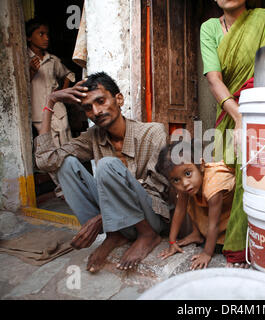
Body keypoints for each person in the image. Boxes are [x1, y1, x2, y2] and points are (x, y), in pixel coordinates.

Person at [34, 72, 171, 273]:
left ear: (119, 99)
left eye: (100, 101)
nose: (96, 111)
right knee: (65, 164)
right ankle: (115, 235)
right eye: (88, 108)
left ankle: (147, 236)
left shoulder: (153, 132)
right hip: (116, 220)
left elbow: (156, 189)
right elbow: (46, 161)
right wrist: (51, 101)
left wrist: (102, 216)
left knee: (107, 166)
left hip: (151, 217)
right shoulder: (93, 137)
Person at [200, 0, 265, 267]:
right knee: (217, 182)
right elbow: (214, 79)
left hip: (260, 106)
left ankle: (252, 247)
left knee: (253, 177)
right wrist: (239, 116)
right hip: (230, 111)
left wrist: (250, 112)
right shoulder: (209, 28)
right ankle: (217, 243)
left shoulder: (263, 18)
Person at [157, 140, 235, 270]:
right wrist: (172, 241)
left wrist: (206, 253)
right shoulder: (188, 185)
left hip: (229, 213)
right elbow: (179, 210)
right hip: (211, 208)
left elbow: (213, 224)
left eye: (188, 173)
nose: (185, 183)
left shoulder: (213, 185)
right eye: (176, 180)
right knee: (185, 195)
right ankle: (197, 234)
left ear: (201, 165)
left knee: (223, 242)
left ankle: (207, 240)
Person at [26, 18, 76, 198]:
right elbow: (21, 88)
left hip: (59, 112)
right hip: (40, 114)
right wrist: (31, 71)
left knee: (67, 147)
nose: (46, 38)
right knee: (50, 152)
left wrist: (63, 90)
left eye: (47, 34)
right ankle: (63, 188)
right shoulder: (22, 60)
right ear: (29, 37)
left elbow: (69, 73)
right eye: (41, 34)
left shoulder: (52, 59)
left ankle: (72, 184)